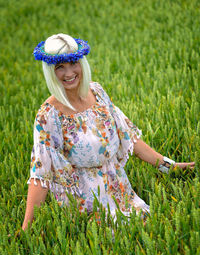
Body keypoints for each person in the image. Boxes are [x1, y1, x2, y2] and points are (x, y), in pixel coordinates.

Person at [22, 33, 195, 231]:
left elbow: (128, 137)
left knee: (155, 229)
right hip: (85, 201)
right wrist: (26, 229)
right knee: (111, 240)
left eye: (73, 63)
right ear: (50, 71)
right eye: (59, 67)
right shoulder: (48, 115)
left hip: (119, 189)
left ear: (82, 63)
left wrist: (169, 166)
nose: (69, 72)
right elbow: (40, 173)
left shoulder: (97, 92)